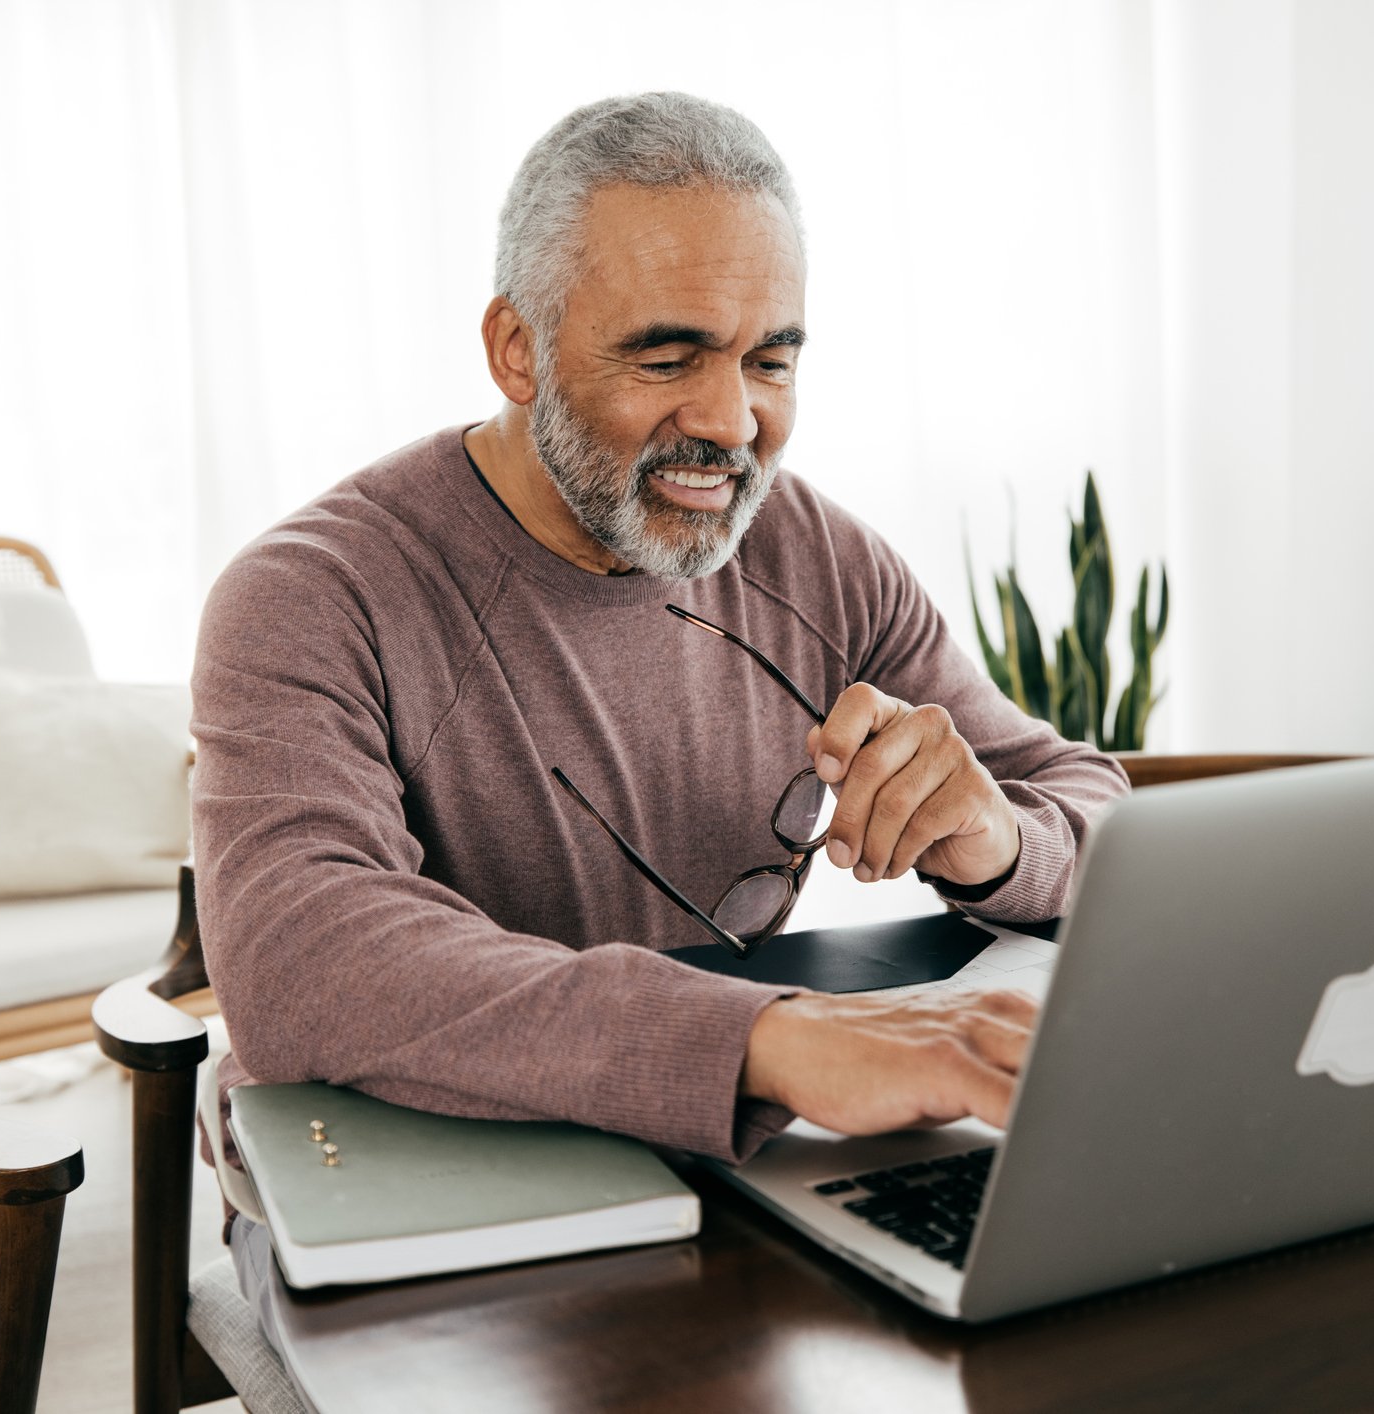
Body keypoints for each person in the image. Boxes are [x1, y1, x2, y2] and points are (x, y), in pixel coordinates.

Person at [191, 92, 1127, 1340]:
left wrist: (999, 838)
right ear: (516, 349)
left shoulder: (819, 555)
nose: (732, 423)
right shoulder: (310, 592)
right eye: (667, 356)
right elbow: (303, 961)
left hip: (715, 1161)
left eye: (770, 358)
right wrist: (770, 1040)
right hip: (399, 1177)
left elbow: (1085, 802)